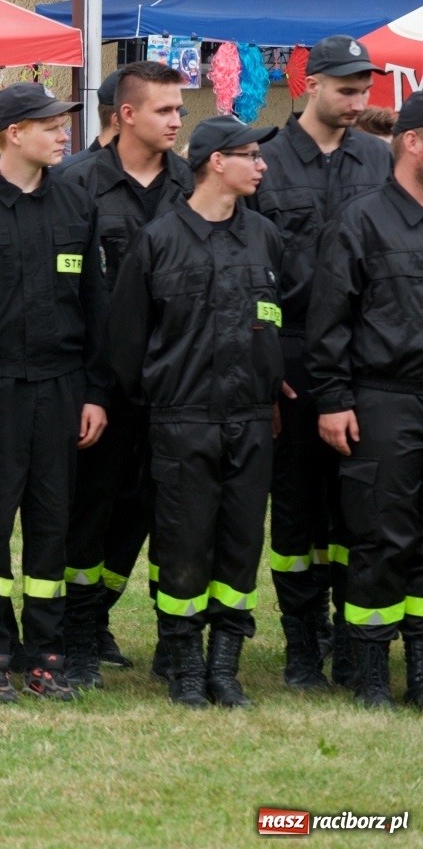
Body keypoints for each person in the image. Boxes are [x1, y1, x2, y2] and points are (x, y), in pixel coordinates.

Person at [0, 84, 110, 703]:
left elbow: (96, 306)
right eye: (51, 126)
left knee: (52, 525)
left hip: (62, 390)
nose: (65, 134)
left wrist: (95, 392)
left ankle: (45, 653)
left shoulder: (75, 202)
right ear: (14, 132)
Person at [110, 116, 284, 708]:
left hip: (252, 418)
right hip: (182, 419)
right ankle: (184, 663)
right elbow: (128, 340)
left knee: (240, 545)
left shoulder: (264, 236)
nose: (261, 166)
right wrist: (160, 405)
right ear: (216, 162)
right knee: (183, 545)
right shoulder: (159, 240)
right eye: (251, 156)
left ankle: (225, 666)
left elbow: (275, 317)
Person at [253, 35, 389, 692]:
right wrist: (263, 362)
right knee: (298, 506)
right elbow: (248, 269)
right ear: (311, 84)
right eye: (347, 89)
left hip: (368, 357)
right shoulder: (266, 161)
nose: (359, 101)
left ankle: (343, 629)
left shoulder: (378, 159)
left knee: (356, 506)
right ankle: (301, 638)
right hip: (295, 353)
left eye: (364, 90)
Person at [57, 60, 191, 684]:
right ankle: (77, 634)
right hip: (101, 386)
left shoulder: (192, 184)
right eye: (165, 110)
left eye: (180, 110)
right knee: (90, 510)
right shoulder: (77, 184)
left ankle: (111, 620)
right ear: (126, 114)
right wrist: (89, 386)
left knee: (147, 514)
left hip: (173, 387)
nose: (177, 120)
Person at [305, 92, 423, 709]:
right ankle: (371, 671)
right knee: (380, 536)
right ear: (412, 141)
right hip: (384, 399)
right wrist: (332, 398)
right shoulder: (362, 220)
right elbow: (330, 321)